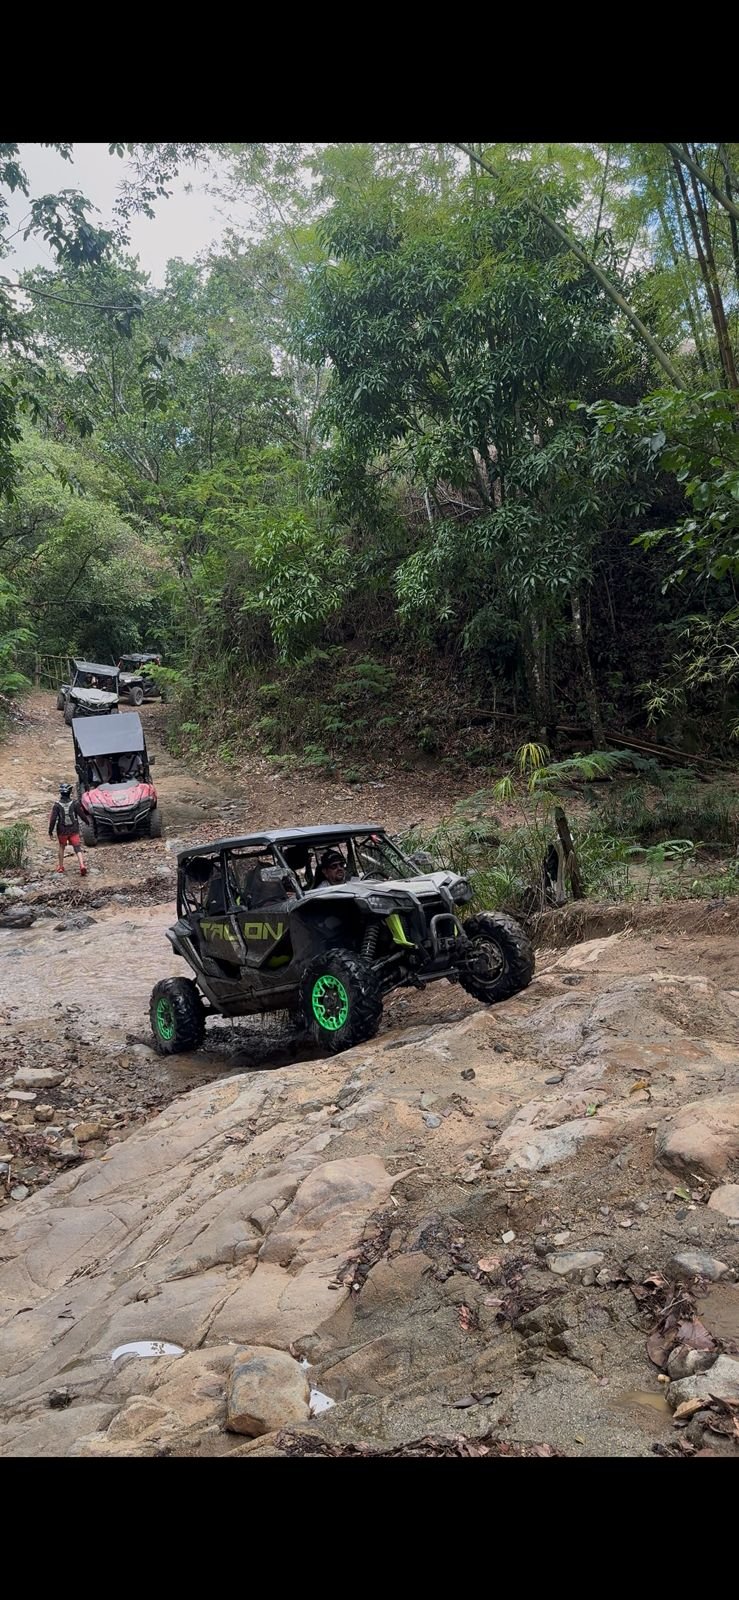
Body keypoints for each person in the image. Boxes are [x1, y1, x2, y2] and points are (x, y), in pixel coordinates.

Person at [48, 783, 87, 876]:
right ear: (69, 793)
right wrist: (87, 822)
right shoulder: (75, 803)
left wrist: (50, 831)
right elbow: (81, 814)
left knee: (62, 847)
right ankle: (82, 865)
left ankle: (61, 866)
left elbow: (53, 819)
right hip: (74, 829)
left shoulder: (57, 805)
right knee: (77, 847)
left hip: (62, 830)